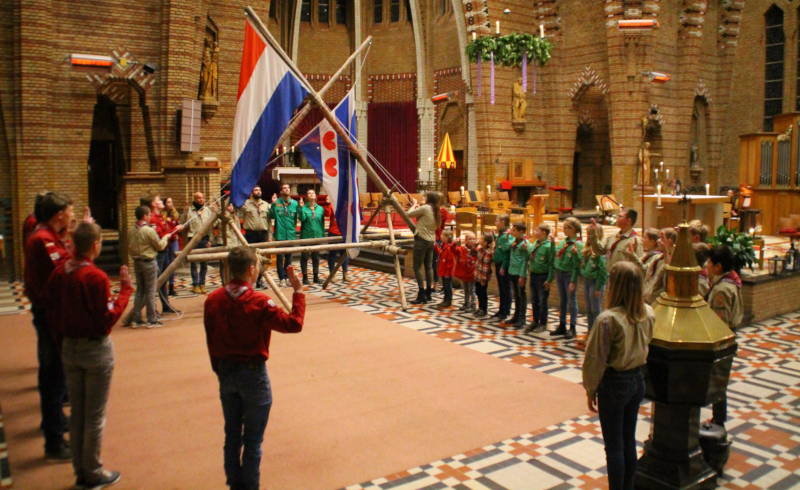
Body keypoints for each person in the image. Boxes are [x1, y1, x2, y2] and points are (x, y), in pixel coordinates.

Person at [204, 247, 305, 490]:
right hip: (253, 375)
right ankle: (249, 486)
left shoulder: (213, 300)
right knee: (253, 439)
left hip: (226, 372)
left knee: (232, 435)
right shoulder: (259, 302)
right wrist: (298, 292)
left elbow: (211, 339)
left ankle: (234, 483)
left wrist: (219, 369)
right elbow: (293, 324)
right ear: (251, 269)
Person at [47, 222, 132, 489]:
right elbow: (105, 320)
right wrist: (126, 291)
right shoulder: (94, 277)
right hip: (94, 350)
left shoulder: (61, 271)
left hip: (69, 347)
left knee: (78, 412)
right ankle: (92, 471)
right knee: (94, 414)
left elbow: (51, 307)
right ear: (95, 245)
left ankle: (79, 468)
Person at [583, 261, 655, 490]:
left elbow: (595, 359)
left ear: (615, 286)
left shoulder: (608, 319)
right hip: (637, 380)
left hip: (615, 383)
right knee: (628, 439)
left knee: (613, 446)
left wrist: (590, 388)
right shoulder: (649, 313)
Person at [24, 191, 82, 460]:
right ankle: (54, 440)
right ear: (59, 214)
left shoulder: (51, 236)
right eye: (70, 212)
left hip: (55, 312)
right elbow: (67, 269)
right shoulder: (43, 240)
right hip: (50, 314)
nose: (72, 216)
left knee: (56, 373)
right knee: (53, 374)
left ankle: (57, 420)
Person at [704, 245, 743, 429]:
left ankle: (718, 419)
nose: (706, 265)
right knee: (719, 380)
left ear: (718, 266)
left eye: (710, 262)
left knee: (718, 380)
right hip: (726, 338)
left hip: (720, 341)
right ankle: (718, 417)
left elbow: (719, 322)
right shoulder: (728, 282)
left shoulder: (722, 290)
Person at [127, 206, 172, 327]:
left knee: (140, 291)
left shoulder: (131, 230)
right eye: (149, 215)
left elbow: (129, 247)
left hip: (137, 262)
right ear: (145, 216)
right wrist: (165, 238)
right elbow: (160, 246)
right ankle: (151, 319)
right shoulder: (149, 231)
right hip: (148, 262)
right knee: (151, 291)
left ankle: (136, 319)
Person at [551, 217, 583, 339]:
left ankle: (573, 327)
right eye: (564, 227)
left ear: (574, 229)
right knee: (562, 300)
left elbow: (577, 264)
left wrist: (573, 280)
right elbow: (557, 255)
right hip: (560, 272)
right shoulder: (563, 242)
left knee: (572, 300)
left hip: (569, 275)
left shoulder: (578, 244)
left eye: (567, 227)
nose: (564, 229)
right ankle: (562, 324)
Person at [408, 192, 442, 304]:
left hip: (421, 240)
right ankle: (428, 293)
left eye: (425, 196)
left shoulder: (426, 208)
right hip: (431, 240)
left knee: (417, 267)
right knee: (428, 267)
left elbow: (409, 214)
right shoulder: (436, 210)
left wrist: (414, 204)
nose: (423, 198)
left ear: (429, 199)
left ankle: (421, 294)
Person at [182, 192, 215, 294]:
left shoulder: (207, 210)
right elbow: (184, 224)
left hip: (204, 238)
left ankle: (202, 284)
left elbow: (211, 226)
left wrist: (210, 240)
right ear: (195, 199)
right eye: (199, 198)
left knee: (204, 263)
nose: (201, 200)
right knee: (193, 263)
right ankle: (195, 284)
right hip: (193, 238)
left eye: (202, 198)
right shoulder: (189, 211)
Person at [622, 228, 665, 304]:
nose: (642, 240)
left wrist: (633, 256)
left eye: (645, 238)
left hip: (650, 296)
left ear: (652, 241)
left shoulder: (656, 256)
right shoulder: (647, 254)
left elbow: (644, 271)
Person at [238, 186, 270, 288]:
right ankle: (250, 280)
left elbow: (269, 221)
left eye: (259, 190)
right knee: (251, 258)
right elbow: (236, 212)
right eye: (256, 190)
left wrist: (270, 235)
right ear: (252, 192)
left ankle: (260, 279)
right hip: (251, 234)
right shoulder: (245, 204)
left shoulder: (266, 205)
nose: (258, 192)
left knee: (263, 258)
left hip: (263, 233)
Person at [526, 223, 554, 334]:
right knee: (534, 300)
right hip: (533, 274)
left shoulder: (548, 246)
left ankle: (543, 323)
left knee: (543, 301)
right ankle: (535, 321)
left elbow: (551, 263)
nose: (534, 232)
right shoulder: (535, 243)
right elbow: (532, 256)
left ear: (543, 232)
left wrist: (549, 279)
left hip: (543, 276)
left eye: (536, 230)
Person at [269, 184, 299, 287]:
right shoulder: (276, 203)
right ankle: (281, 278)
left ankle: (287, 277)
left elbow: (295, 219)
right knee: (280, 257)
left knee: (289, 258)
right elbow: (271, 216)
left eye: (288, 188)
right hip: (280, 234)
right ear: (281, 191)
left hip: (290, 234)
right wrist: (273, 204)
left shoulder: (295, 203)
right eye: (284, 188)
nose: (287, 189)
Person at [580, 224, 608, 331]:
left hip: (596, 282)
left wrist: (598, 287)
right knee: (589, 309)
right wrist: (583, 272)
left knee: (596, 309)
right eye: (587, 233)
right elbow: (583, 265)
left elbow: (603, 271)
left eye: (590, 233)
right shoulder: (587, 248)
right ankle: (590, 332)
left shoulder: (600, 250)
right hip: (587, 281)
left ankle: (598, 334)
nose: (588, 236)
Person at [507, 222, 530, 329]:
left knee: (521, 296)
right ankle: (516, 316)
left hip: (519, 274)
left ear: (521, 232)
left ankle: (522, 318)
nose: (512, 231)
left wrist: (522, 275)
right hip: (512, 271)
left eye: (514, 230)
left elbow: (525, 261)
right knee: (516, 295)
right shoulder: (513, 241)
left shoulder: (525, 244)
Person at [491, 215, 514, 322]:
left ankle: (505, 311)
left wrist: (504, 266)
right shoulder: (501, 234)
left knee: (505, 288)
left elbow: (506, 251)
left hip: (503, 265)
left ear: (503, 222)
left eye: (497, 220)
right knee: (501, 288)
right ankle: (501, 310)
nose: (495, 222)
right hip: (498, 263)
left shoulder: (507, 235)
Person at [299, 189, 324, 285]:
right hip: (306, 236)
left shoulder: (320, 208)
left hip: (317, 236)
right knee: (305, 257)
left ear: (316, 195)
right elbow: (302, 219)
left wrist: (322, 235)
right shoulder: (304, 208)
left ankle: (316, 277)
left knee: (316, 257)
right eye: (309, 193)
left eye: (313, 193)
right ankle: (305, 277)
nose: (311, 194)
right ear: (306, 196)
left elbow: (321, 223)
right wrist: (301, 209)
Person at [323, 199, 349, 283]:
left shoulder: (346, 204)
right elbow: (327, 214)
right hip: (333, 232)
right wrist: (328, 203)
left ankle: (345, 273)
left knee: (344, 254)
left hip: (344, 233)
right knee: (332, 255)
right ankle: (332, 274)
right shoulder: (332, 203)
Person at [454, 231, 478, 313]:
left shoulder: (476, 250)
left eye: (474, 239)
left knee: (472, 290)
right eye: (470, 239)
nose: (472, 241)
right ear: (466, 241)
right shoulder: (461, 249)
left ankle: (473, 305)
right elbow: (453, 250)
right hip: (464, 274)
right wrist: (454, 243)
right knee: (466, 290)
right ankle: (466, 303)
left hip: (472, 274)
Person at [162, 197, 181, 296]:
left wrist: (179, 229)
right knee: (166, 263)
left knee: (173, 263)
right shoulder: (162, 216)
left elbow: (178, 226)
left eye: (171, 202)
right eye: (169, 202)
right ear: (164, 204)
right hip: (165, 241)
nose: (171, 203)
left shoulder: (175, 214)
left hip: (174, 241)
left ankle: (172, 287)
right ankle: (163, 285)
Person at [473, 232, 494, 318]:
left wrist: (483, 279)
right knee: (478, 292)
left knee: (483, 293)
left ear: (486, 242)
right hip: (478, 275)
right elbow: (474, 251)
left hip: (483, 277)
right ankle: (480, 307)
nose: (479, 240)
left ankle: (483, 309)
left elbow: (486, 268)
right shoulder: (480, 248)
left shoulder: (488, 253)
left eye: (481, 239)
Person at [434, 229, 456, 309]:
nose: (441, 236)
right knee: (445, 286)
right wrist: (436, 247)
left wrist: (447, 273)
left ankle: (448, 301)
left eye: (442, 235)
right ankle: (445, 299)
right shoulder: (444, 245)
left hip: (447, 272)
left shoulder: (449, 248)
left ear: (447, 237)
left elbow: (450, 262)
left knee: (447, 286)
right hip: (443, 270)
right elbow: (441, 253)